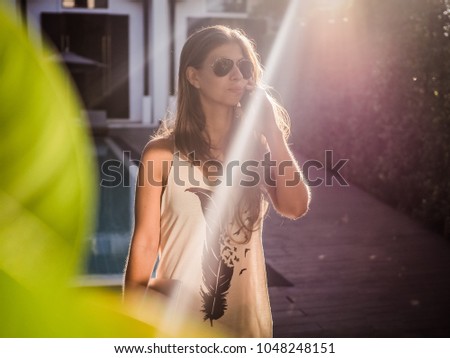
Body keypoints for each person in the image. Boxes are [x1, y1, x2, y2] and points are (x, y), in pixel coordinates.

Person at [123, 25, 310, 337]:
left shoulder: (256, 149)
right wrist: (127, 324)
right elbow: (145, 243)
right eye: (223, 66)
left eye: (244, 66)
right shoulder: (161, 154)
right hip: (180, 321)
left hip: (246, 321)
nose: (237, 75)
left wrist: (272, 132)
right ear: (194, 77)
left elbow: (296, 207)